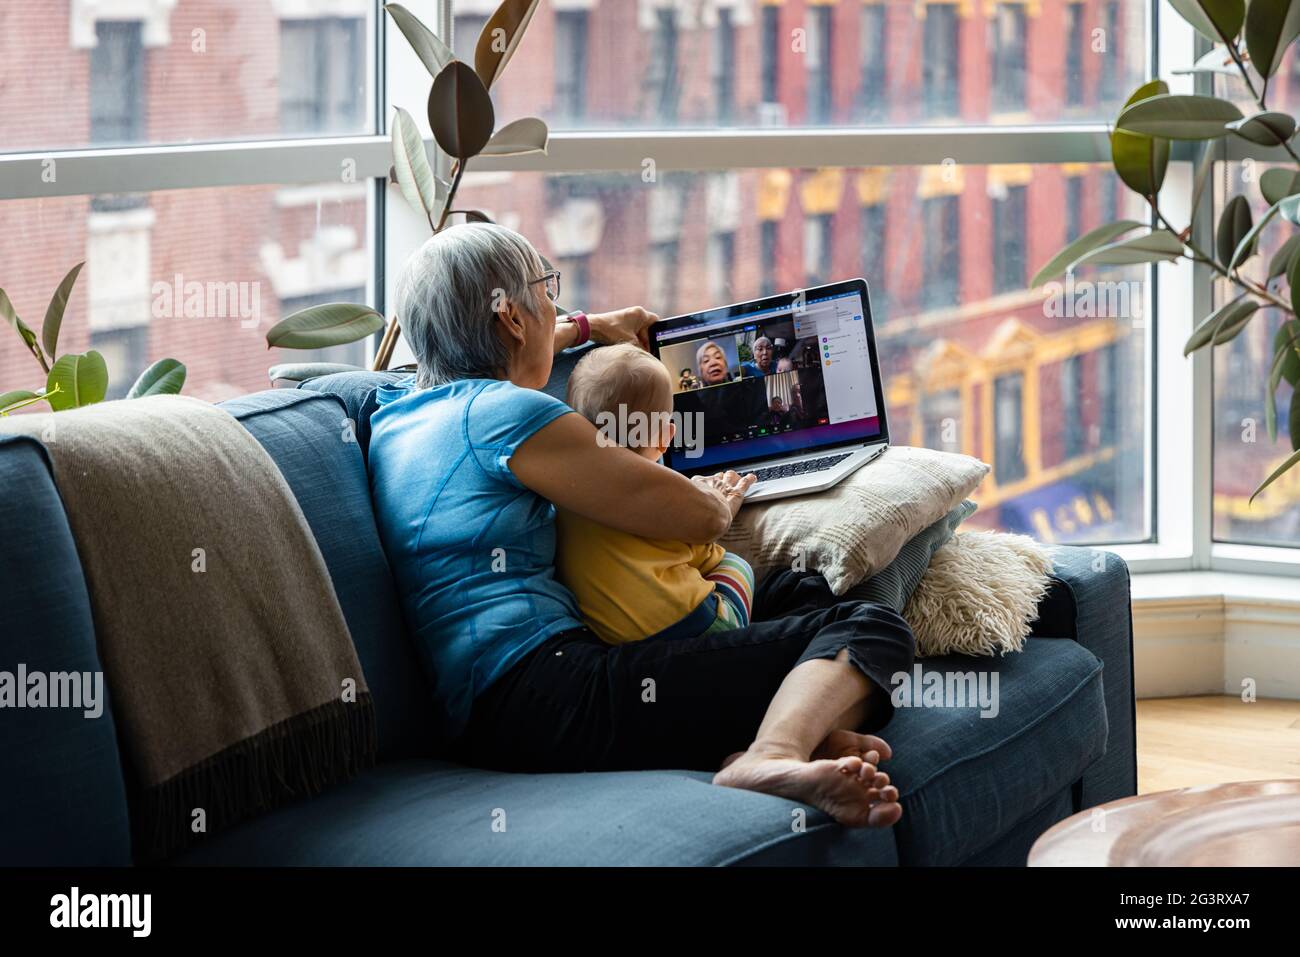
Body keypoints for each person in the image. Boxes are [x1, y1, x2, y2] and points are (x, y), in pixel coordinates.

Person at [368, 222, 914, 828]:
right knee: (868, 626)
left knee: (795, 591)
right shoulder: (509, 415)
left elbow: (493, 355)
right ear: (513, 319)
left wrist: (589, 328)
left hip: (492, 710)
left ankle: (797, 726)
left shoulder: (392, 414)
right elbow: (697, 517)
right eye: (548, 292)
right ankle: (771, 753)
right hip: (548, 694)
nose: (557, 311)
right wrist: (719, 497)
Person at [555, 343, 755, 643]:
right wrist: (712, 497)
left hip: (617, 641)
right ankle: (739, 630)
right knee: (735, 564)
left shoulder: (560, 486)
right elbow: (705, 540)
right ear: (666, 437)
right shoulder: (660, 496)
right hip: (697, 626)